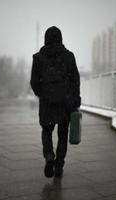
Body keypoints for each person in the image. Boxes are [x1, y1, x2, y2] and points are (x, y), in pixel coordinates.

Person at [30, 26, 81, 178]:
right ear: (60, 38)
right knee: (63, 134)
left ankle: (49, 156)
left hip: (47, 103)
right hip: (65, 103)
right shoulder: (69, 56)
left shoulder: (38, 58)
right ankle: (59, 165)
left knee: (47, 131)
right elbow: (75, 81)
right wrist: (75, 100)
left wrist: (43, 94)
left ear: (46, 39)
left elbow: (34, 82)